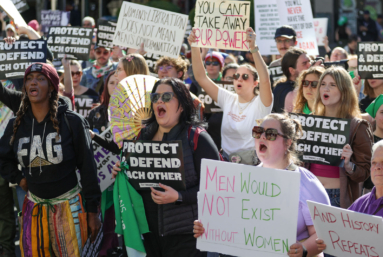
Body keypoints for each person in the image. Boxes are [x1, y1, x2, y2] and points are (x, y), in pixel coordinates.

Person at [194, 113, 331, 257]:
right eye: (258, 132)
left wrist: (303, 250)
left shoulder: (305, 182)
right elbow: (231, 228)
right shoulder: (245, 180)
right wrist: (208, 228)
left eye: (271, 134)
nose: (263, 137)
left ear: (288, 143)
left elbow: (324, 234)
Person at [0, 63, 101, 256]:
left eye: (40, 78)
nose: (33, 82)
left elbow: (88, 168)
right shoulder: (16, 124)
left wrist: (92, 211)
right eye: (29, 78)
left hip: (70, 210)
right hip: (34, 209)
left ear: (53, 86)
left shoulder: (72, 122)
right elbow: (3, 159)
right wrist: (19, 178)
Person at [112, 78, 221, 256]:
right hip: (146, 233)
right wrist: (121, 171)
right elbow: (135, 179)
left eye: (167, 96)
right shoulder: (143, 135)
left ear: (182, 105)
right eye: (155, 97)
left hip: (184, 235)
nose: (160, 101)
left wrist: (179, 196)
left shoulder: (197, 137)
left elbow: (216, 187)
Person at [189, 27, 273, 165]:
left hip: (252, 165)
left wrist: (253, 49)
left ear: (255, 83)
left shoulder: (261, 104)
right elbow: (201, 77)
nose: (239, 79)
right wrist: (194, 45)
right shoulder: (228, 98)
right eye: (236, 76)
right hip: (227, 163)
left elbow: (265, 79)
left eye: (245, 76)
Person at [311, 66, 373, 208]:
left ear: (344, 91)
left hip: (337, 196)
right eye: (323, 84)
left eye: (332, 85)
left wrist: (349, 165)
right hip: (309, 193)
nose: (326, 89)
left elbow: (364, 173)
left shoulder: (357, 126)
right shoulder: (309, 122)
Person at [316, 139, 383, 251]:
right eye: (374, 162)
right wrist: (326, 241)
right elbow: (342, 236)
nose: (378, 166)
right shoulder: (361, 203)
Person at [272, 47, 311, 113]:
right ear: (292, 70)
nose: (309, 65)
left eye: (309, 61)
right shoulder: (281, 89)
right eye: (304, 63)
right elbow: (295, 100)